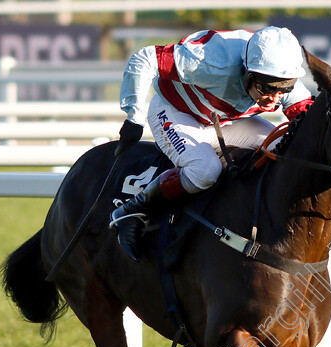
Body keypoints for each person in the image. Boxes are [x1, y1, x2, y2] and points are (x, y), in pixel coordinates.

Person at [109, 26, 314, 262]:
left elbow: (306, 124)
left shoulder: (277, 74)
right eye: (268, 88)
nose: (276, 97)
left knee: (282, 148)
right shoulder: (211, 62)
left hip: (224, 121)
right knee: (205, 171)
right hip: (176, 112)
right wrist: (134, 117)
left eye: (284, 88)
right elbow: (143, 58)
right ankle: (133, 209)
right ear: (248, 72)